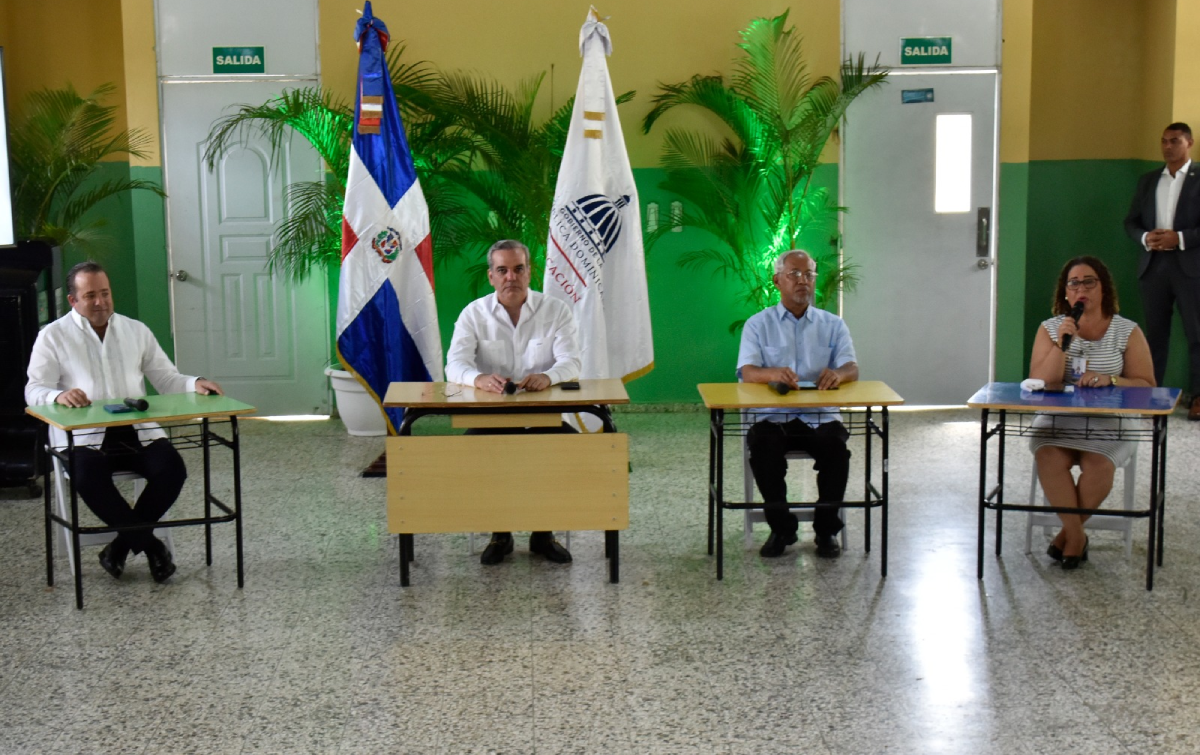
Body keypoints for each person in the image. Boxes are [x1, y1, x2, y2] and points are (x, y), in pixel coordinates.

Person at [26, 261, 224, 583]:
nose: (101, 302)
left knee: (172, 469)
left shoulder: (135, 330)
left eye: (105, 293)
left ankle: (119, 548)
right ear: (73, 301)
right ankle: (153, 547)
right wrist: (56, 397)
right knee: (87, 475)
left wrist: (194, 383)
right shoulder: (52, 336)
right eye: (90, 295)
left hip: (137, 431)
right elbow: (33, 389)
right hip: (84, 436)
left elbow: (166, 377)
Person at [445, 240, 580, 565]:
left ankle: (543, 534)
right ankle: (499, 534)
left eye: (518, 269)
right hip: (491, 419)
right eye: (502, 270)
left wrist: (548, 376)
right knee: (474, 457)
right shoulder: (473, 314)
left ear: (529, 272)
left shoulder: (556, 310)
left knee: (570, 454)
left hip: (544, 417)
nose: (511, 277)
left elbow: (572, 362)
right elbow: (454, 365)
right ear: (491, 276)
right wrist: (478, 379)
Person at [1027, 256, 1155, 569]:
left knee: (1099, 464)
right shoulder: (1052, 329)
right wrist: (1062, 345)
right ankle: (1076, 536)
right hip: (1060, 418)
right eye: (1074, 283)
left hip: (1112, 420)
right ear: (1066, 293)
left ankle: (1066, 536)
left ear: (1102, 289)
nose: (1081, 288)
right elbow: (1042, 381)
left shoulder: (1127, 331)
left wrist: (1111, 379)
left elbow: (1147, 386)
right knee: (1047, 454)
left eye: (1089, 282)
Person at [738, 250, 859, 559]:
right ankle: (782, 528)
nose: (803, 281)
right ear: (778, 280)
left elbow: (851, 368)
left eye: (809, 275)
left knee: (836, 450)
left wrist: (838, 374)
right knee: (763, 449)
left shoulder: (832, 324)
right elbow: (748, 372)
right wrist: (772, 374)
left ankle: (825, 529)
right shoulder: (757, 324)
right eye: (794, 274)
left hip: (819, 417)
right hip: (773, 417)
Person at [1123, 122, 1200, 420]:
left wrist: (1178, 238)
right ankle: (1151, 394)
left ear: (1189, 143)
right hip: (1153, 266)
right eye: (1164, 141)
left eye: (1175, 141)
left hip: (1190, 267)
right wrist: (1145, 238)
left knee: (1196, 334)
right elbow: (1130, 222)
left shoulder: (1198, 178)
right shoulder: (1148, 180)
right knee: (1154, 335)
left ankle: (1197, 397)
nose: (1168, 147)